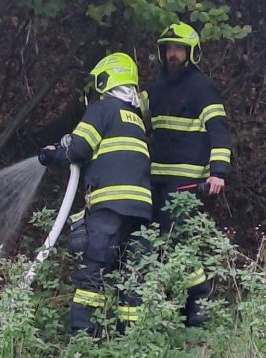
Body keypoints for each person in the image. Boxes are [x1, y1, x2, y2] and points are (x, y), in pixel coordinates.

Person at [39, 52, 152, 335]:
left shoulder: (102, 110)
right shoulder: (136, 118)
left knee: (94, 267)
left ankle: (83, 337)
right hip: (140, 209)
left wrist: (54, 155)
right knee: (132, 274)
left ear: (107, 79)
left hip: (110, 205)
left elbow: (78, 150)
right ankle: (130, 338)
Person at [145, 22, 233, 326]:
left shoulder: (202, 87)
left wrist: (218, 172)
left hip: (186, 180)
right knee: (155, 242)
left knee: (178, 241)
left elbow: (219, 131)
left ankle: (200, 303)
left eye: (178, 49)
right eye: (169, 48)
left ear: (191, 53)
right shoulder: (155, 89)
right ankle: (174, 307)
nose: (173, 54)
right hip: (155, 178)